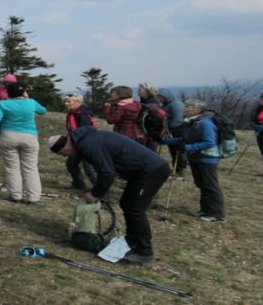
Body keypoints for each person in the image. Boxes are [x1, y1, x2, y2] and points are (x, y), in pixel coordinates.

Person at [49, 127, 170, 266]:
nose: (65, 156)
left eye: (63, 153)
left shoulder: (87, 145)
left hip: (151, 170)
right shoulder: (86, 140)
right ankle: (131, 242)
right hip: (142, 171)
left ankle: (144, 253)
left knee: (135, 209)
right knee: (126, 203)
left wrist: (95, 194)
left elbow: (107, 173)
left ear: (66, 145)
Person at [163, 100, 225, 222]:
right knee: (201, 184)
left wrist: (187, 148)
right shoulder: (192, 122)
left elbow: (209, 142)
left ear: (197, 110)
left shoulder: (205, 123)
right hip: (196, 157)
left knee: (210, 185)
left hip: (207, 158)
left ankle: (217, 214)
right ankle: (206, 210)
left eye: (188, 107)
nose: (184, 108)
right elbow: (185, 139)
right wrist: (165, 141)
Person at [0, 83, 47, 205]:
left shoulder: (3, 104)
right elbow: (43, 111)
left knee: (12, 168)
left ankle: (15, 196)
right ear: (24, 92)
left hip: (8, 136)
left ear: (8, 93)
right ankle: (33, 198)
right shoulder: (31, 102)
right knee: (30, 168)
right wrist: (27, 98)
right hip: (29, 137)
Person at [62, 93, 97, 190]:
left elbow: (86, 131)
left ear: (78, 102)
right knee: (71, 164)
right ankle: (78, 185)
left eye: (69, 101)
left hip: (87, 144)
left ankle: (102, 193)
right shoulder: (73, 113)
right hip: (78, 144)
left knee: (89, 169)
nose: (66, 103)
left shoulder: (82, 115)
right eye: (65, 101)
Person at [157, 89, 187, 178]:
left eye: (161, 97)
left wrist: (169, 131)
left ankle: (179, 170)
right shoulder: (166, 105)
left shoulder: (176, 104)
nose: (159, 99)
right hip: (170, 130)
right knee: (173, 151)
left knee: (178, 151)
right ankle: (175, 168)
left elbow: (178, 120)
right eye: (158, 97)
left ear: (166, 96)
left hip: (178, 131)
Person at [138, 82, 162, 152]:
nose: (138, 91)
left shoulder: (151, 104)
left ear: (148, 91)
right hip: (147, 135)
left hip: (149, 136)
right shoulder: (145, 102)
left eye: (140, 90)